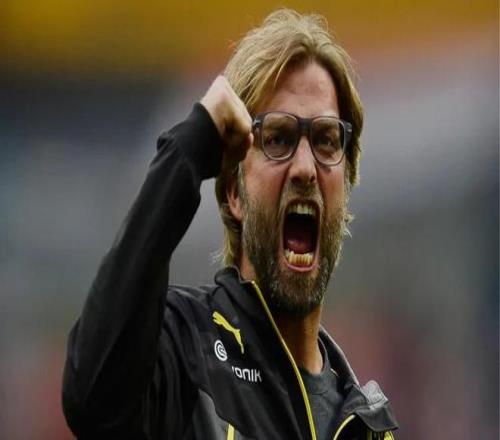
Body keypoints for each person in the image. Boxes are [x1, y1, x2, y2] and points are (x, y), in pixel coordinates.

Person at [62, 9, 398, 440]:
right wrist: (187, 150)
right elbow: (92, 398)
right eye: (277, 139)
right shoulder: (182, 350)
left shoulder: (369, 427)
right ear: (235, 193)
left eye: (325, 141)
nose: (304, 168)